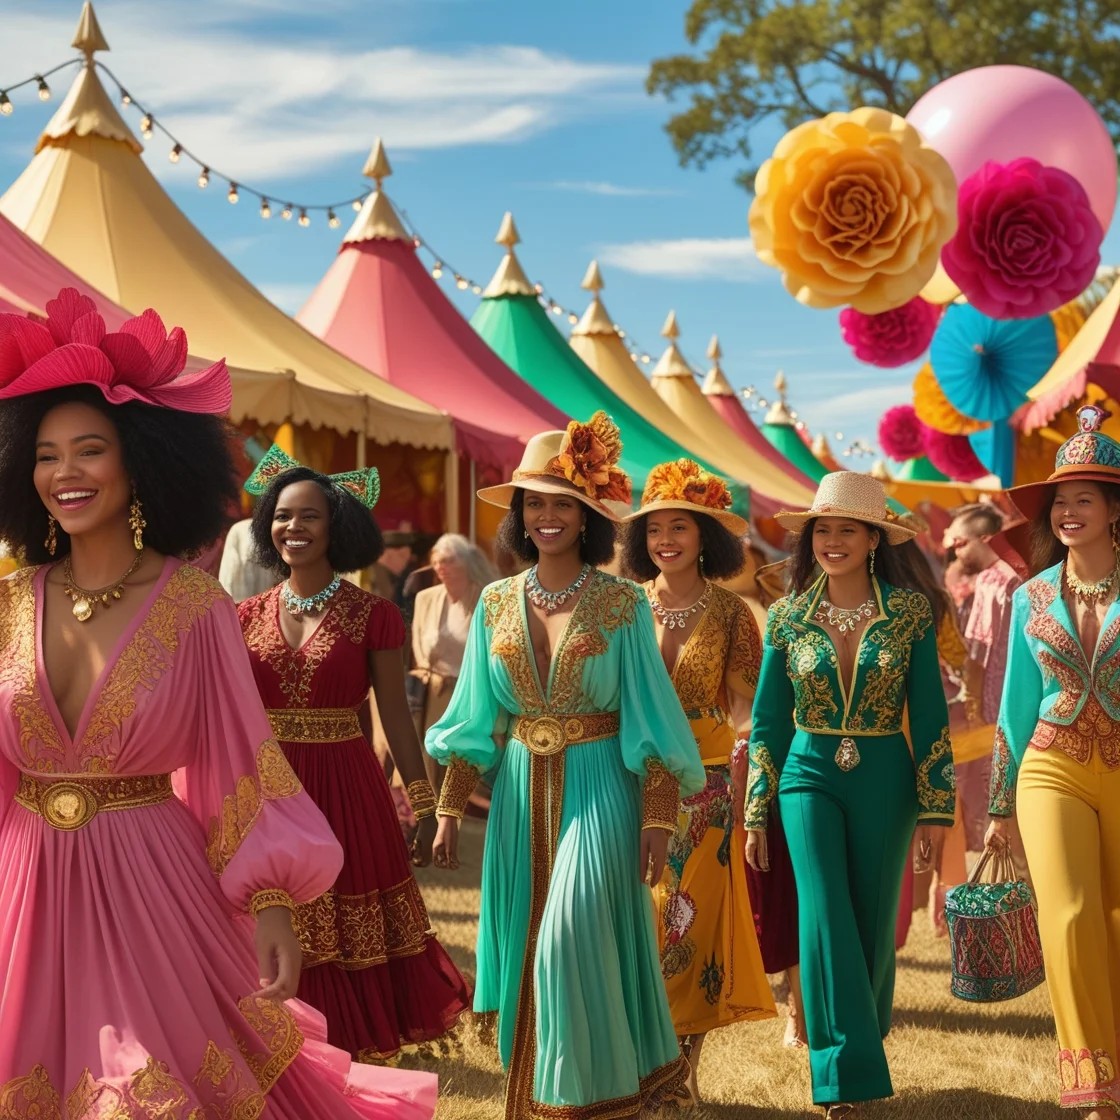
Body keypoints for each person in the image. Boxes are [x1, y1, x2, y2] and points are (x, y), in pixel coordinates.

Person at [0, 288, 435, 1117]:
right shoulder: (9, 603)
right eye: (46, 454)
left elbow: (241, 754)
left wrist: (272, 896)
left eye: (89, 449)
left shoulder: (193, 607)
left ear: (142, 462)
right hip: (22, 888)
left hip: (148, 885)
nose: (64, 473)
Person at [426, 412, 706, 1120]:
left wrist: (657, 815)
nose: (547, 516)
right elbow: (470, 715)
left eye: (562, 503)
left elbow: (650, 713)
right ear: (520, 515)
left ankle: (583, 1101)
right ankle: (547, 1094)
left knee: (570, 935)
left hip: (600, 788)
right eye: (534, 503)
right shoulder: (494, 602)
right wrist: (449, 807)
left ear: (587, 516)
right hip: (519, 792)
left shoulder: (620, 602)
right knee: (527, 945)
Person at [237, 445, 471, 1063]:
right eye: (282, 516)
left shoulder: (373, 615)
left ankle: (345, 1042)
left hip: (345, 783)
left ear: (337, 525)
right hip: (266, 786)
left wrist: (422, 805)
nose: (294, 528)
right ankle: (273, 1037)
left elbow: (396, 715)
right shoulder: (241, 617)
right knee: (274, 911)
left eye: (309, 515)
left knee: (343, 916)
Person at [745, 472, 954, 1119]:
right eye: (822, 530)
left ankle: (860, 1032)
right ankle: (843, 1073)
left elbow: (930, 711)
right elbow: (768, 721)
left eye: (846, 529)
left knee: (869, 923)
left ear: (872, 540)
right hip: (808, 774)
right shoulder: (785, 617)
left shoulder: (911, 613)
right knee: (826, 909)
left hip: (887, 774)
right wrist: (757, 806)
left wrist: (937, 807)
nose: (832, 540)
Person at [619, 458, 776, 1104]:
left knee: (689, 926)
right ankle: (639, 1061)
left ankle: (681, 1069)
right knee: (640, 921)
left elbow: (751, 711)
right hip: (628, 780)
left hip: (706, 789)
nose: (665, 541)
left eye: (679, 527)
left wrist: (752, 784)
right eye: (654, 529)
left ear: (705, 535)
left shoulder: (736, 615)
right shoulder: (624, 606)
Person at [986, 404, 1120, 1119]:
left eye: (1083, 499)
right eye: (1060, 501)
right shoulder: (1029, 595)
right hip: (1050, 766)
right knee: (1068, 915)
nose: (1068, 511)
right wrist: (999, 808)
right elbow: (1012, 708)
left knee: (1117, 918)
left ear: (1112, 509)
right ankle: (1095, 1088)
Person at [410, 533, 498, 790]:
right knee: (433, 761)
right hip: (435, 692)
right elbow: (417, 644)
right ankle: (435, 820)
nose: (440, 567)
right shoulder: (425, 598)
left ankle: (470, 823)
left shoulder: (486, 597)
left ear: (465, 563)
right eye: (436, 561)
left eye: (448, 561)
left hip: (473, 692)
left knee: (468, 763)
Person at [219, 515, 279, 602]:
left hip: (274, 605)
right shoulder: (239, 530)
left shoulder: (284, 530)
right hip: (242, 606)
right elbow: (228, 575)